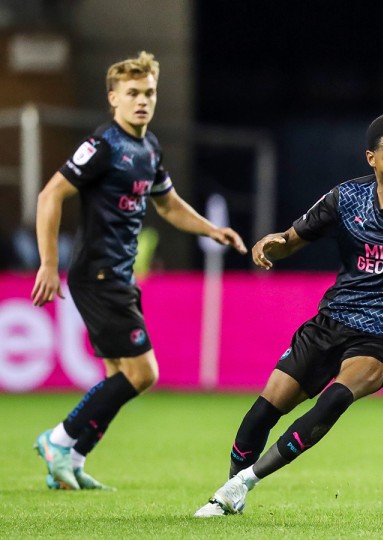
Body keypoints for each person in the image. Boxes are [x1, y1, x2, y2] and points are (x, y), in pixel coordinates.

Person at [194, 113, 383, 517]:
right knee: (261, 414)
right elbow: (292, 239)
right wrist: (272, 244)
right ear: (371, 159)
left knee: (333, 401)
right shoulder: (345, 199)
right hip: (331, 322)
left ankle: (242, 484)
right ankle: (232, 491)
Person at [31, 51, 247, 491]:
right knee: (143, 373)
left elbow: (167, 204)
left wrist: (212, 230)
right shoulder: (103, 145)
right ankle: (59, 439)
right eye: (132, 93)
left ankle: (69, 461)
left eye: (148, 92)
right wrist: (48, 263)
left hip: (119, 275)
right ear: (114, 98)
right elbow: (50, 195)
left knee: (119, 376)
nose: (142, 101)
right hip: (98, 274)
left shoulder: (148, 148)